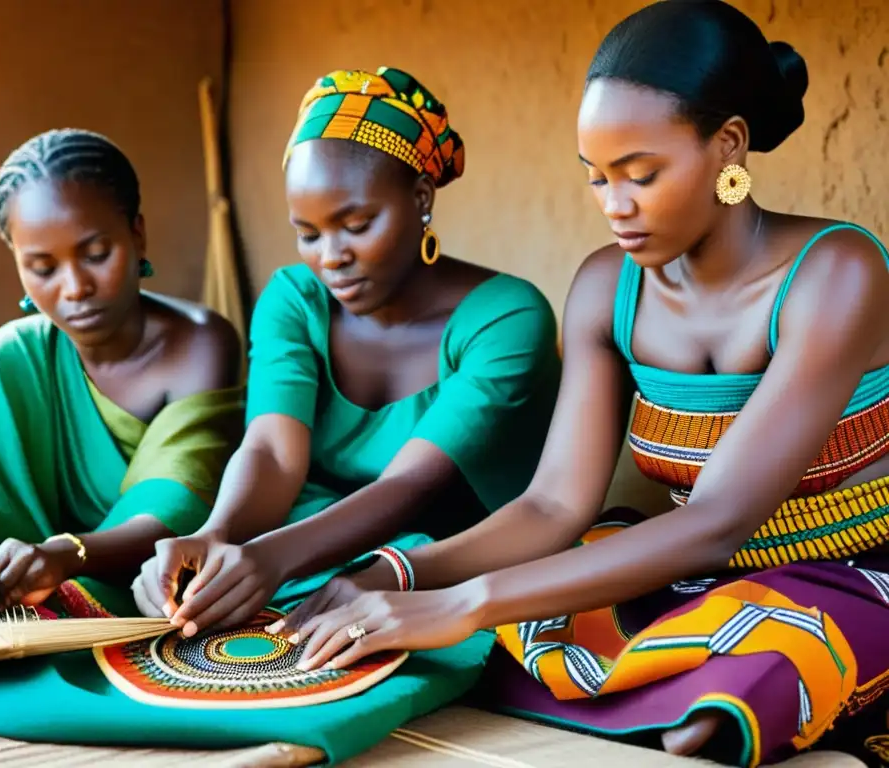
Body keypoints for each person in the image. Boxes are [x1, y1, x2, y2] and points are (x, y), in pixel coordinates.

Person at [277, 5, 889, 766]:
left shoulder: (837, 272)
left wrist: (461, 602)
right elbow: (553, 505)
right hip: (682, 573)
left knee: (719, 709)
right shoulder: (607, 286)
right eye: (596, 177)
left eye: (642, 174)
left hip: (847, 575)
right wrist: (392, 575)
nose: (614, 205)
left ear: (728, 145)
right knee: (464, 656)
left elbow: (721, 519)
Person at [132, 66, 562, 639]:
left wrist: (273, 558)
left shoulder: (506, 319)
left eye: (356, 224)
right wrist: (219, 535)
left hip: (446, 563)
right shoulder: (297, 300)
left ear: (421, 197)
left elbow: (412, 487)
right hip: (315, 544)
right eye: (308, 234)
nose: (331, 256)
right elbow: (272, 453)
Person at [0, 128, 244, 617]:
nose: (74, 288)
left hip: (135, 578)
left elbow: (174, 509)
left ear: (137, 234)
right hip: (11, 587)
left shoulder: (200, 343)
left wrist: (66, 555)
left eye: (95, 255)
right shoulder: (13, 358)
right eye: (43, 267)